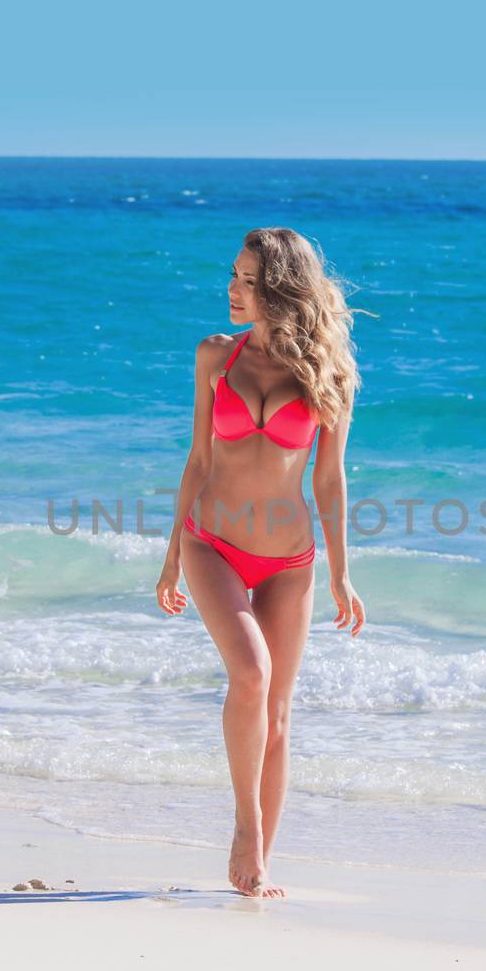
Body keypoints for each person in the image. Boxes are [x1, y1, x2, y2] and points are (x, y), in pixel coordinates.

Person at [156, 227, 366, 898]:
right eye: (233, 275)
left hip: (288, 560)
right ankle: (245, 827)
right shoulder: (215, 355)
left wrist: (339, 571)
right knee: (250, 673)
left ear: (278, 288)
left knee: (277, 712)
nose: (232, 289)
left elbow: (329, 480)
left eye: (247, 280)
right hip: (211, 542)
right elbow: (197, 459)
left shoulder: (328, 372)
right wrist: (168, 559)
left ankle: (260, 866)